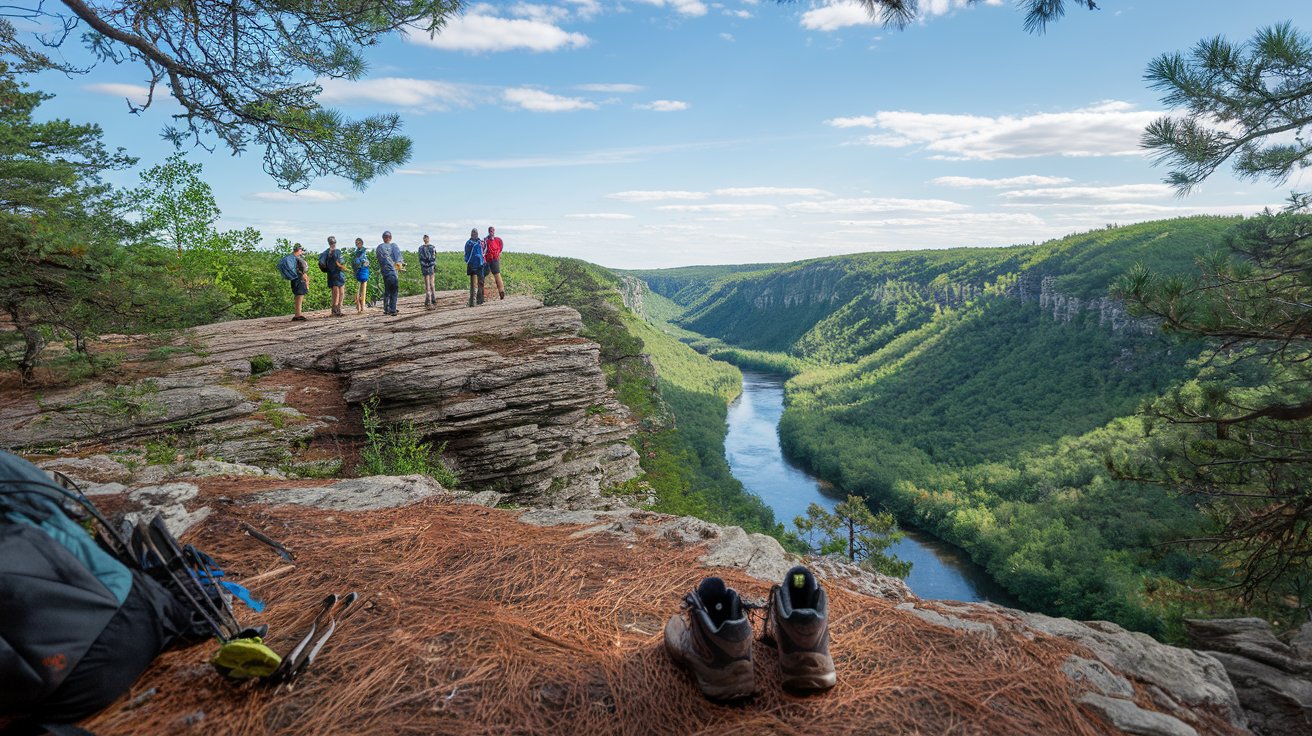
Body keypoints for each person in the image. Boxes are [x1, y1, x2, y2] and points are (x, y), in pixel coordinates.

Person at [375, 230, 403, 316]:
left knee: (387, 290)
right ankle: (392, 309)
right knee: (394, 290)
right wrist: (399, 266)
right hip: (393, 271)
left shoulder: (379, 247)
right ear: (390, 238)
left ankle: (386, 308)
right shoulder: (393, 246)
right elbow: (399, 259)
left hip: (385, 272)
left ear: (383, 238)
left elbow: (379, 260)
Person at [323, 236, 347, 317]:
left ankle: (337, 309)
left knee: (339, 292)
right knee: (338, 293)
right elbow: (342, 262)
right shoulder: (335, 252)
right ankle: (336, 310)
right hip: (335, 274)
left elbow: (322, 264)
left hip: (334, 274)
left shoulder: (326, 253)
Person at [463, 228, 486, 308]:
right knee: (473, 283)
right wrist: (468, 261)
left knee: (481, 282)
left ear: (477, 234)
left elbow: (484, 251)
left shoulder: (481, 243)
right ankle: (472, 302)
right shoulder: (468, 243)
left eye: (475, 233)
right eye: (472, 233)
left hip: (480, 264)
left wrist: (482, 260)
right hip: (471, 264)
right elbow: (466, 254)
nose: (474, 234)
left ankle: (480, 300)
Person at [484, 226, 505, 300]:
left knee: (483, 277)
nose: (491, 232)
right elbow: (500, 248)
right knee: (497, 276)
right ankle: (501, 292)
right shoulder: (498, 240)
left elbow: (483, 250)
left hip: (488, 260)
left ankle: (482, 295)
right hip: (495, 259)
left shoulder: (486, 240)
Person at [418, 234, 438, 308]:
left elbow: (420, 259)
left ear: (423, 239)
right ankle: (433, 299)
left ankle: (428, 300)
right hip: (431, 267)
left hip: (425, 267)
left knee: (427, 285)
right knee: (432, 284)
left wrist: (424, 265)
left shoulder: (420, 248)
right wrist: (432, 264)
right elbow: (434, 257)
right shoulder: (433, 247)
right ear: (428, 239)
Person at [290, 243, 309, 321]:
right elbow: (303, 269)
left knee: (298, 295)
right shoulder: (297, 258)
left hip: (295, 277)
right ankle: (298, 314)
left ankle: (298, 313)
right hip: (299, 277)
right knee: (299, 294)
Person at [351, 238, 370, 313]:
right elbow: (366, 262)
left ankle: (361, 306)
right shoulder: (361, 252)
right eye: (356, 243)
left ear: (361, 243)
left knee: (362, 289)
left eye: (358, 243)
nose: (357, 244)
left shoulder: (360, 252)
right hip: (361, 271)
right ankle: (360, 306)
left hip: (362, 271)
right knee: (360, 290)